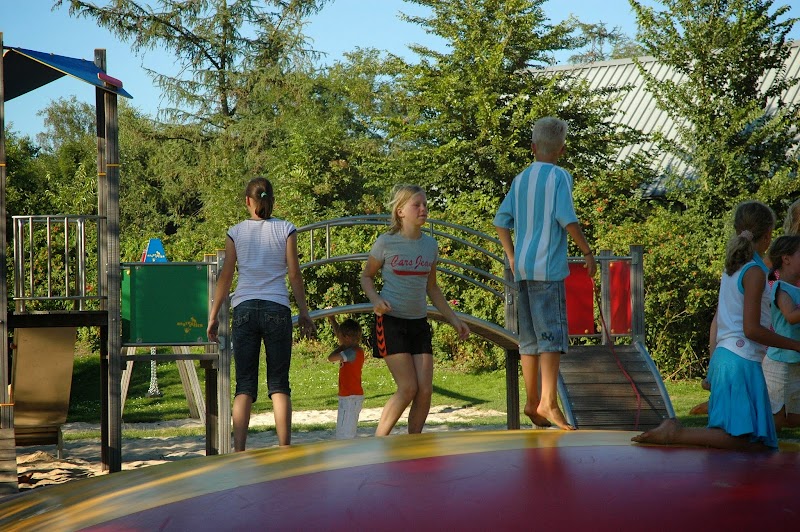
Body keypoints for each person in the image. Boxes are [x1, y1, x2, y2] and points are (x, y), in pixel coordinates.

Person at [633, 200, 800, 451]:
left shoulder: (735, 267)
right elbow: (751, 329)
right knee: (741, 438)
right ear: (768, 235)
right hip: (740, 360)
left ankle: (678, 433)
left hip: (730, 356)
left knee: (760, 442)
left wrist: (713, 361)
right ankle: (676, 433)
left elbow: (720, 320)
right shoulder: (754, 272)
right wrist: (795, 345)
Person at [493, 116, 596, 430]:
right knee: (551, 336)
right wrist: (587, 252)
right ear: (562, 150)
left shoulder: (521, 179)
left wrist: (512, 256)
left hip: (523, 268)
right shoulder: (560, 176)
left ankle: (531, 400)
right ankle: (548, 403)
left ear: (533, 147)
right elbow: (567, 218)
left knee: (529, 339)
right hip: (547, 270)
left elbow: (500, 221)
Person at [207, 177, 315, 451]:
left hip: (244, 308)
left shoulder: (235, 232)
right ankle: (284, 448)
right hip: (277, 307)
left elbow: (226, 276)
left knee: (244, 385)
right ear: (272, 200)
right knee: (279, 384)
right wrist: (304, 311)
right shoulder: (286, 229)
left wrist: (213, 315)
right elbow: (294, 274)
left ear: (247, 201)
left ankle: (239, 450)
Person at [361, 184, 470, 436]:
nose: (423, 209)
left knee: (425, 390)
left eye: (425, 205)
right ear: (400, 211)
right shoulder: (386, 242)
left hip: (419, 323)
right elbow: (366, 277)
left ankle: (414, 443)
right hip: (391, 322)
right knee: (408, 388)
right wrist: (376, 299)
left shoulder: (430, 245)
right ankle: (378, 441)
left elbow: (432, 288)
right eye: (416, 205)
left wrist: (455, 320)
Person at [762, 235, 800, 430]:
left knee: (793, 418)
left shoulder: (795, 289)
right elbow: (791, 316)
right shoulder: (780, 288)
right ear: (786, 259)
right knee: (775, 419)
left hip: (795, 360)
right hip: (779, 362)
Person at [327, 316, 366, 439]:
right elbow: (340, 333)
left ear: (347, 338)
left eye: (341, 338)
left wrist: (341, 346)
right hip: (349, 396)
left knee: (345, 434)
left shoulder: (352, 352)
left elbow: (331, 358)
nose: (338, 339)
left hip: (350, 397)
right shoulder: (352, 350)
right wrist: (333, 320)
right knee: (345, 429)